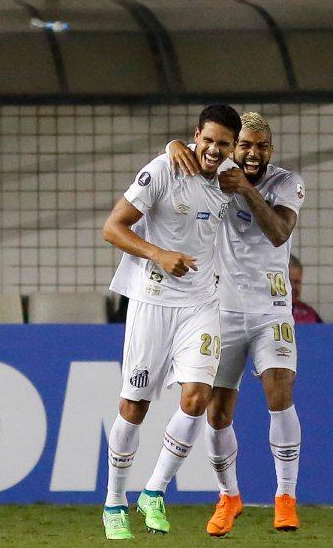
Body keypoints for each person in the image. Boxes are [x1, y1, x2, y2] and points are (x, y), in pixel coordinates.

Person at [100, 104, 241, 540]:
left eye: (224, 143)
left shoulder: (230, 179)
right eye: (208, 139)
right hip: (153, 301)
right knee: (134, 406)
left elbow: (266, 166)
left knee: (197, 398)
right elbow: (113, 227)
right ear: (196, 134)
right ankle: (114, 502)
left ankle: (154, 491)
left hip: (202, 304)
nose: (214, 150)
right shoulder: (163, 169)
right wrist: (159, 255)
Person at [166, 112, 305, 535]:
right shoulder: (217, 172)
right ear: (234, 145)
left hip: (271, 309)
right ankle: (229, 496)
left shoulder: (285, 183)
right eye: (244, 145)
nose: (252, 153)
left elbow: (279, 232)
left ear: (271, 149)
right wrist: (173, 147)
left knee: (279, 389)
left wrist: (245, 189)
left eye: (261, 146)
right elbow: (188, 155)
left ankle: (285, 497)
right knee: (218, 410)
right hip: (221, 309)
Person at [289, 255, 323, 324]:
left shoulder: (309, 314)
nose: (292, 287)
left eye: (297, 282)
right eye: (288, 281)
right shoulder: (263, 313)